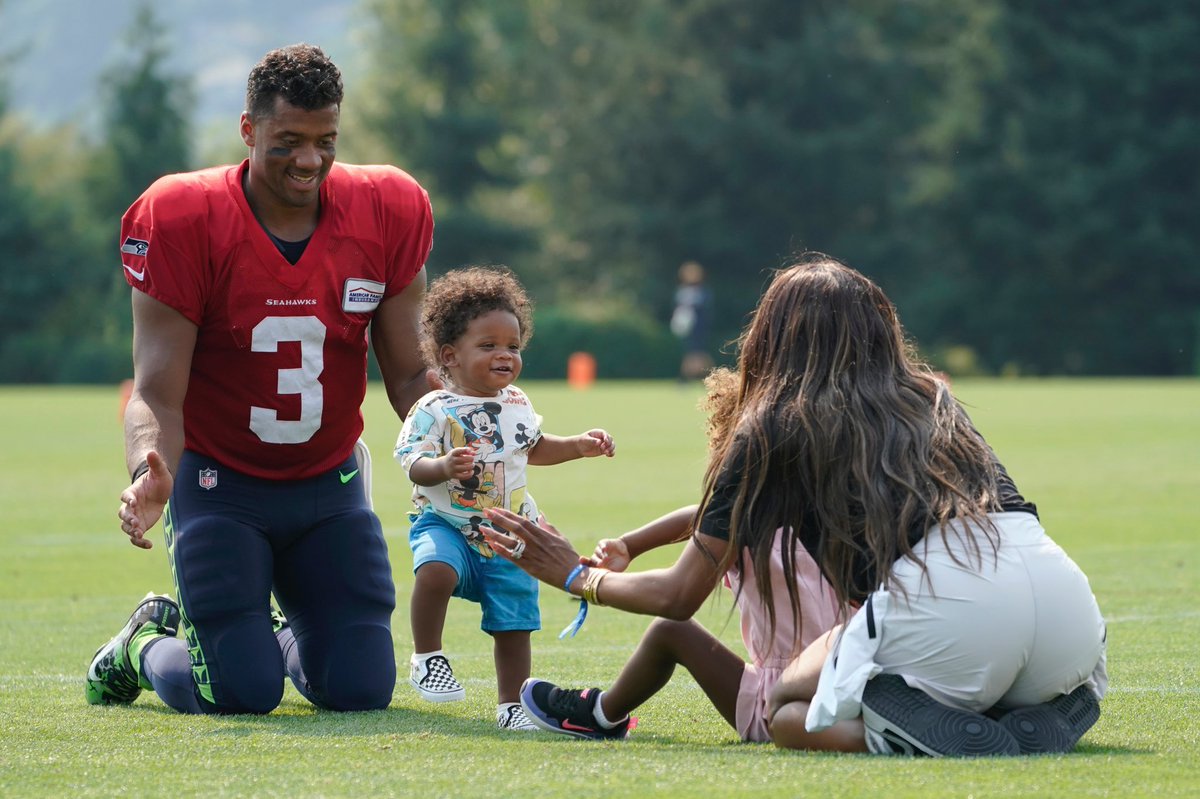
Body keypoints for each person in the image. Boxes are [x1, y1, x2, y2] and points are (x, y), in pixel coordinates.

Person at [481, 254, 1107, 756]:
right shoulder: (930, 397)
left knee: (785, 711)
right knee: (967, 659)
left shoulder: (775, 423)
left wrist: (575, 575)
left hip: (948, 604)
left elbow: (677, 597)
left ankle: (916, 736)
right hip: (1063, 601)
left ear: (772, 336)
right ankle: (1029, 713)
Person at [88, 43, 436, 716]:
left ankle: (265, 637)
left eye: (325, 141)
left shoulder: (386, 208)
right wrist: (149, 469)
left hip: (327, 482)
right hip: (220, 483)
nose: (309, 160)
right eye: (289, 142)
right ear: (248, 130)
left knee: (359, 688)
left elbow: (410, 374)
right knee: (239, 693)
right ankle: (140, 646)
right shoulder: (186, 215)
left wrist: (468, 443)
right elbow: (156, 391)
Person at [393, 265, 615, 731]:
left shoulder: (516, 402)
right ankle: (427, 657)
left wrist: (578, 445)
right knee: (435, 571)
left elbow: (534, 448)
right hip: (446, 521)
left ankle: (512, 704)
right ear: (450, 356)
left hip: (508, 531)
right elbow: (411, 461)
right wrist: (442, 466)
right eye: (488, 345)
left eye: (513, 346)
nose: (505, 355)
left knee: (514, 621)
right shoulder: (433, 408)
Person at [670, 260, 713, 382]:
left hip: (699, 327)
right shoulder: (682, 291)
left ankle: (707, 377)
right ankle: (687, 379)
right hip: (688, 328)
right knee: (691, 354)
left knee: (699, 354)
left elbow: (706, 309)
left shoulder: (702, 291)